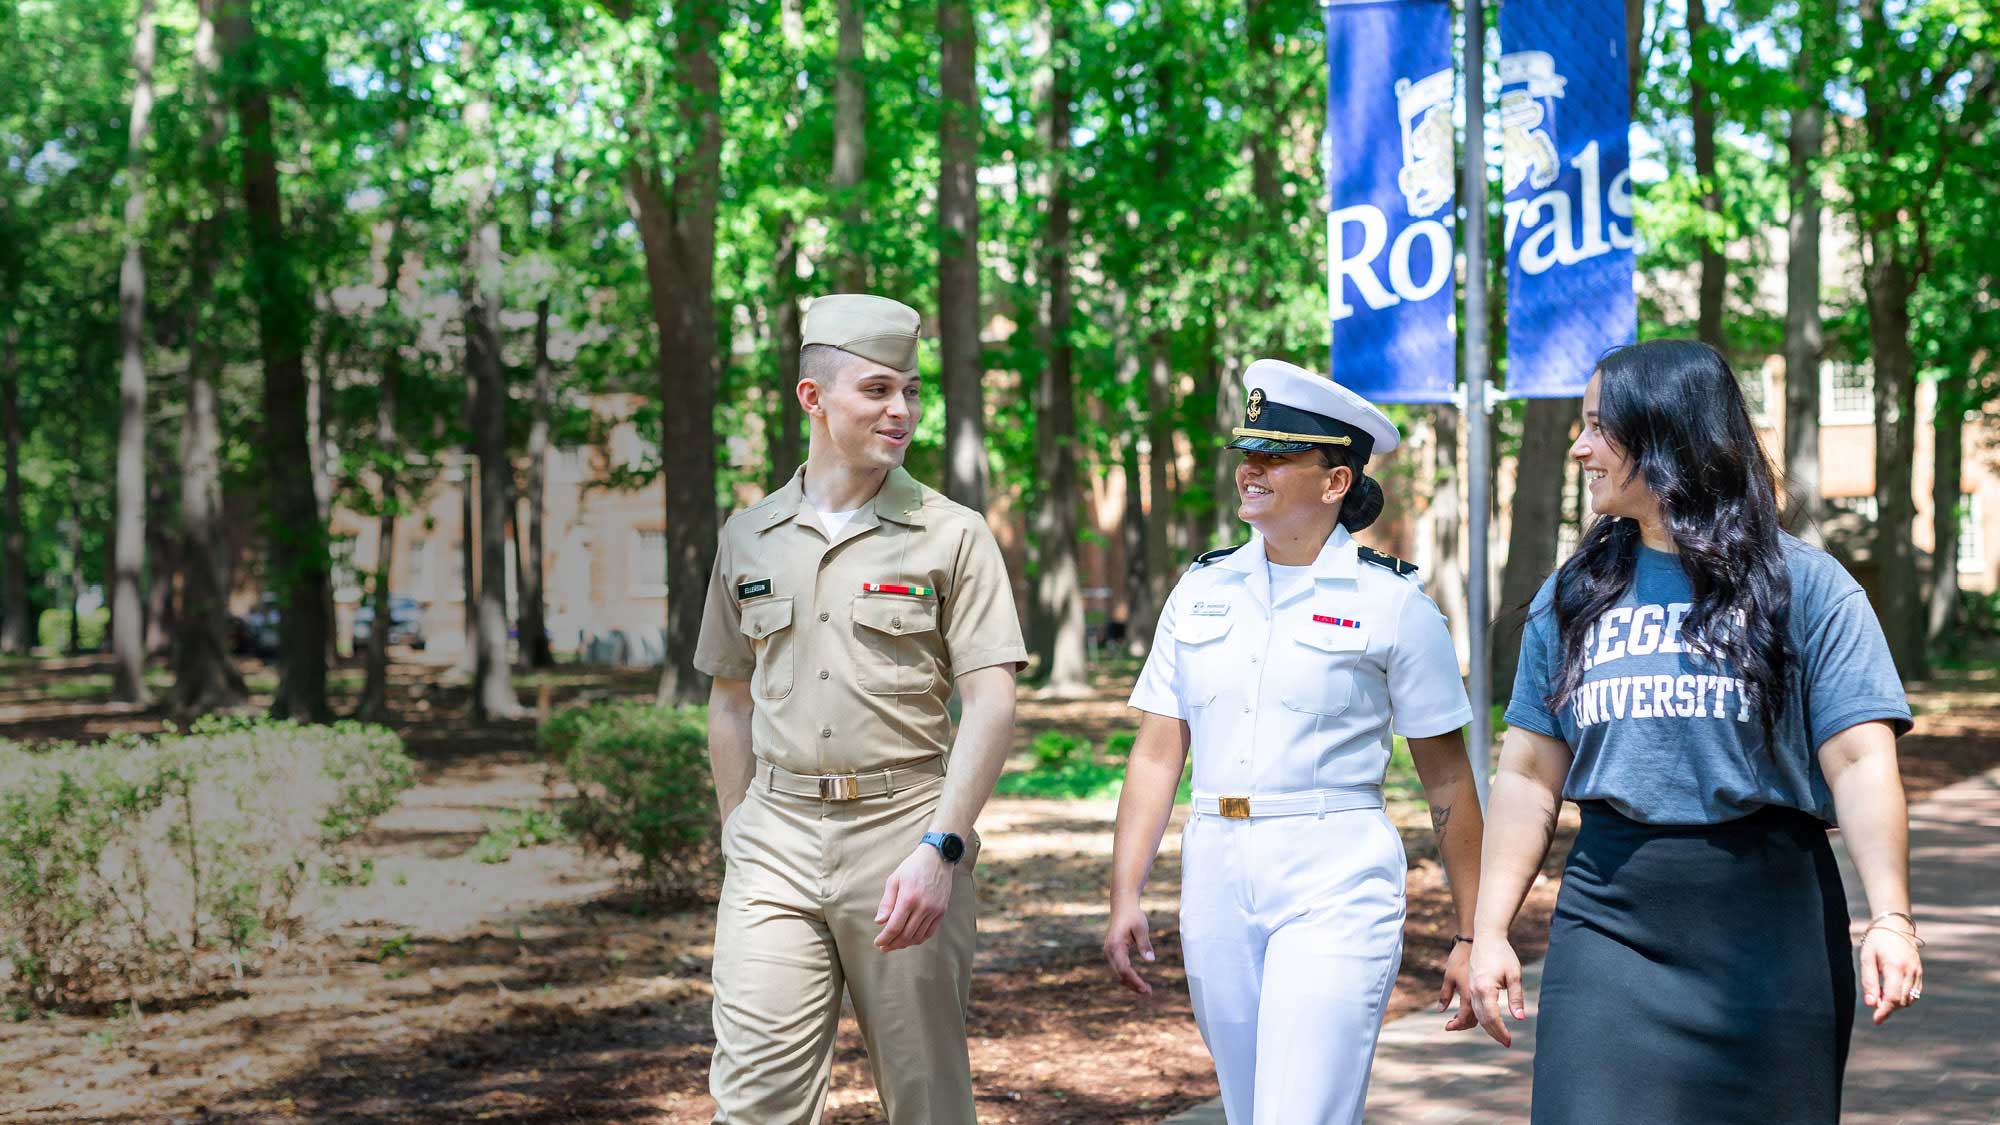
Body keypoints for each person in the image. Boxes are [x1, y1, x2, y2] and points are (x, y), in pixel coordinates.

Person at [1463, 339, 1924, 1123]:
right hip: (1610, 920)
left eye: (1598, 427)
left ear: (1668, 435)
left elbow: (1859, 759)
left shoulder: (1806, 586)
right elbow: (1528, 775)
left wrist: (1891, 916)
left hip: (1771, 928)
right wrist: (1488, 933)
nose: (1579, 447)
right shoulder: (1571, 597)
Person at [1102, 359, 1488, 1125]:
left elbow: (1447, 781)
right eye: (1250, 451)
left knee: (1296, 1112)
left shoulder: (1394, 604)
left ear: (1335, 481)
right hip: (1215, 865)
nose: (1253, 468)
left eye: (1277, 455)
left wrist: (1474, 932)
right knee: (1250, 1111)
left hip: (1335, 873)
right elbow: (1156, 751)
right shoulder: (1201, 590)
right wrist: (1125, 892)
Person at [694, 293, 1025, 1124]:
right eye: (877, 390)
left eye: (911, 390)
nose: (902, 410)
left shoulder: (950, 533)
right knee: (755, 1100)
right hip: (775, 842)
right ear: (814, 398)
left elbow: (991, 698)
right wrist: (738, 827)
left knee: (925, 1100)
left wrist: (941, 847)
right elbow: (729, 699)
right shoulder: (749, 536)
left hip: (903, 833)